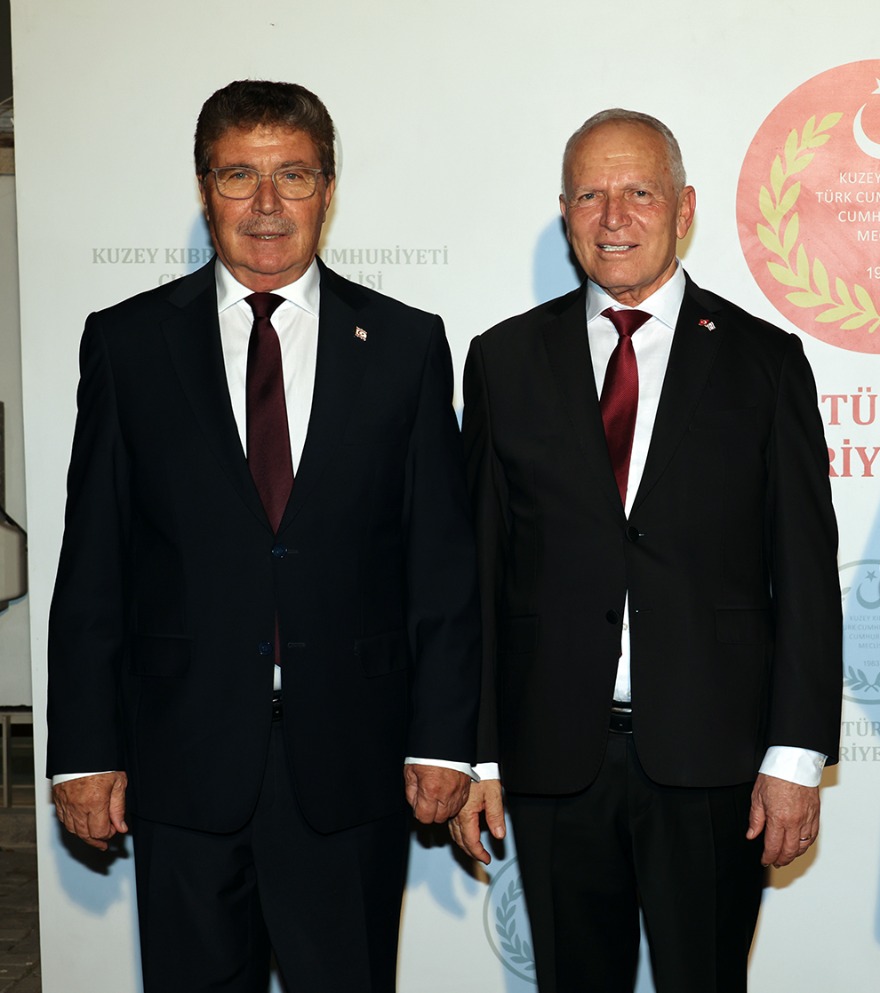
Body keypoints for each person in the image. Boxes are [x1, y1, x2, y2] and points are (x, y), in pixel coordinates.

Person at [46, 80, 480, 993]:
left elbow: (440, 564)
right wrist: (84, 749)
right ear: (205, 188)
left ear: (329, 188)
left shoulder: (405, 345)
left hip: (353, 763)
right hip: (182, 760)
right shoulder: (128, 344)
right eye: (240, 175)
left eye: (294, 174)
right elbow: (94, 564)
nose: (268, 202)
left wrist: (443, 738)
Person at [449, 108, 842, 993]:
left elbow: (805, 576)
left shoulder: (764, 361)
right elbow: (479, 570)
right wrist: (479, 754)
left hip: (715, 760)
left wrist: (794, 757)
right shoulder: (504, 360)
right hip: (553, 759)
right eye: (590, 195)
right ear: (565, 213)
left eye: (639, 192)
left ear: (684, 208)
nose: (614, 217)